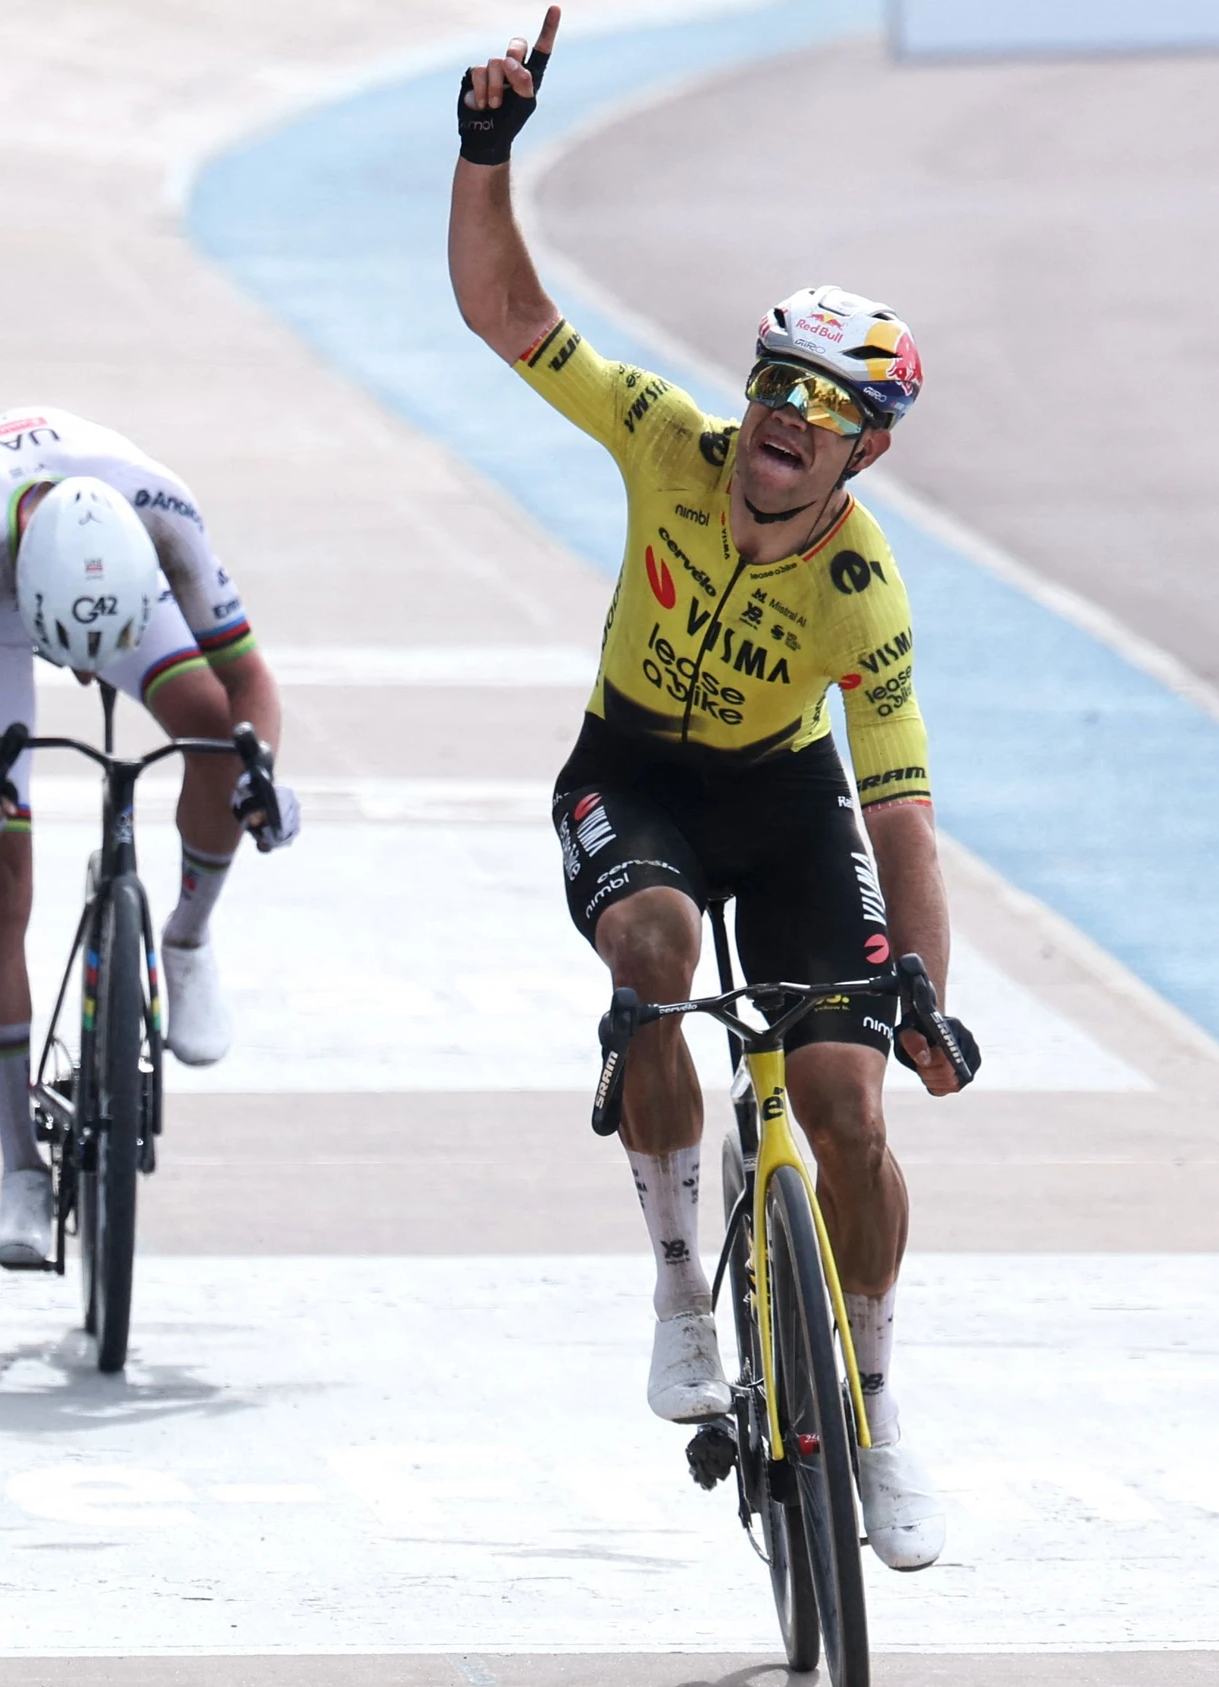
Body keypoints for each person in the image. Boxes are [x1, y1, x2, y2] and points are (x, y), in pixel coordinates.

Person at [449, 7, 976, 1573]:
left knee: (847, 1104)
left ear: (864, 452)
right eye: (772, 385)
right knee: (659, 964)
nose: (778, 425)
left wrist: (922, 984)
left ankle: (873, 1410)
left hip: (788, 799)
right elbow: (505, 311)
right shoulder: (666, 442)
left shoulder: (866, 592)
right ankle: (684, 1283)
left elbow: (898, 810)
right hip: (636, 778)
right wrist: (489, 151)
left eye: (821, 412)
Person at [0, 406, 299, 1270]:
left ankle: (188, 937)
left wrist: (262, 774)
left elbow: (248, 675)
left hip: (102, 578)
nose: (72, 673)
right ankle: (20, 1165)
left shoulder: (163, 515)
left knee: (215, 732)